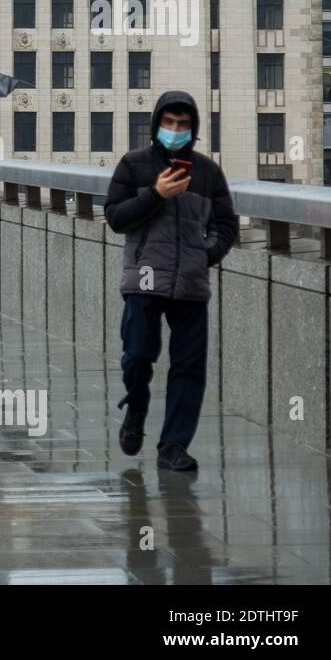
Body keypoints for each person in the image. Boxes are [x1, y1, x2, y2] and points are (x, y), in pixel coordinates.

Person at [105, 90, 238, 473]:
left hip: (191, 285)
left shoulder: (208, 172)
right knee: (138, 356)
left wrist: (206, 254)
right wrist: (156, 194)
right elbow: (115, 217)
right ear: (156, 125)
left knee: (189, 367)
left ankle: (174, 445)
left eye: (183, 124)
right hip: (144, 278)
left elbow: (226, 224)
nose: (175, 130)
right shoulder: (134, 165)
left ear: (193, 129)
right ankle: (136, 409)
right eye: (169, 123)